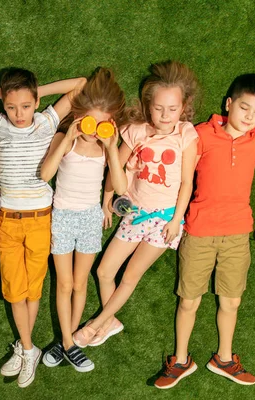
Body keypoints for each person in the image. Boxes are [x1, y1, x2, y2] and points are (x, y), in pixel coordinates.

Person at [153, 73, 255, 389]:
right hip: (198, 232)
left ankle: (224, 359)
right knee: (188, 300)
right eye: (245, 108)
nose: (250, 117)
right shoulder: (200, 135)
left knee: (231, 302)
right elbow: (181, 179)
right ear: (229, 104)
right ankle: (179, 361)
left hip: (236, 236)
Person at [0, 69, 85, 387]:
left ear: (36, 101)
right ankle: (28, 348)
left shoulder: (47, 120)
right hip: (7, 220)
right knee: (13, 290)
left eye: (26, 105)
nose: (19, 113)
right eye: (11, 107)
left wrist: (35, 90)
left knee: (33, 288)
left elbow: (81, 86)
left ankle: (26, 349)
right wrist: (2, 93)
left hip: (41, 218)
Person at [72, 61, 199, 351]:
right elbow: (116, 167)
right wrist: (106, 201)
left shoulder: (186, 134)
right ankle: (111, 322)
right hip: (136, 214)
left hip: (166, 217)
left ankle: (95, 325)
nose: (165, 115)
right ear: (148, 105)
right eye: (158, 108)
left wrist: (176, 220)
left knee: (130, 275)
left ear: (183, 108)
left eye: (172, 109)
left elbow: (187, 183)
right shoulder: (136, 131)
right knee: (104, 272)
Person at [39, 68, 127, 372]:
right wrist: (68, 139)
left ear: (111, 124)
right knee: (63, 283)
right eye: (90, 122)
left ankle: (67, 342)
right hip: (62, 217)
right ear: (79, 117)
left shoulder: (107, 149)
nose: (94, 130)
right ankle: (68, 342)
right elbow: (45, 174)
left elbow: (121, 186)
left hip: (90, 218)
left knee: (79, 283)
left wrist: (112, 149)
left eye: (102, 125)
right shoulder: (67, 139)